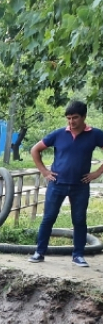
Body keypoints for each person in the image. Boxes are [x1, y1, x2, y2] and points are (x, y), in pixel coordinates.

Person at [29, 100, 103, 267]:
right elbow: (35, 149)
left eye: (75, 118)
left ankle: (78, 255)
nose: (71, 122)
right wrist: (45, 171)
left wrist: (97, 173)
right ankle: (39, 252)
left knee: (79, 220)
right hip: (57, 184)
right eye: (68, 118)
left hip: (80, 185)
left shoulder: (96, 135)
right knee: (48, 218)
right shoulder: (58, 134)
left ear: (84, 117)